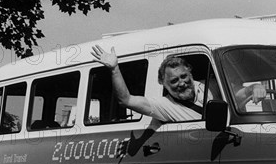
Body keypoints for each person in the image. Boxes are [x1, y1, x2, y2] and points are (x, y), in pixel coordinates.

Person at [91, 45, 266, 122]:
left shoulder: (211, 86)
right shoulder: (165, 105)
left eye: (184, 77)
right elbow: (126, 100)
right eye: (174, 81)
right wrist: (114, 69)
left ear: (190, 73)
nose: (181, 83)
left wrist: (255, 88)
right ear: (163, 84)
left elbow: (240, 94)